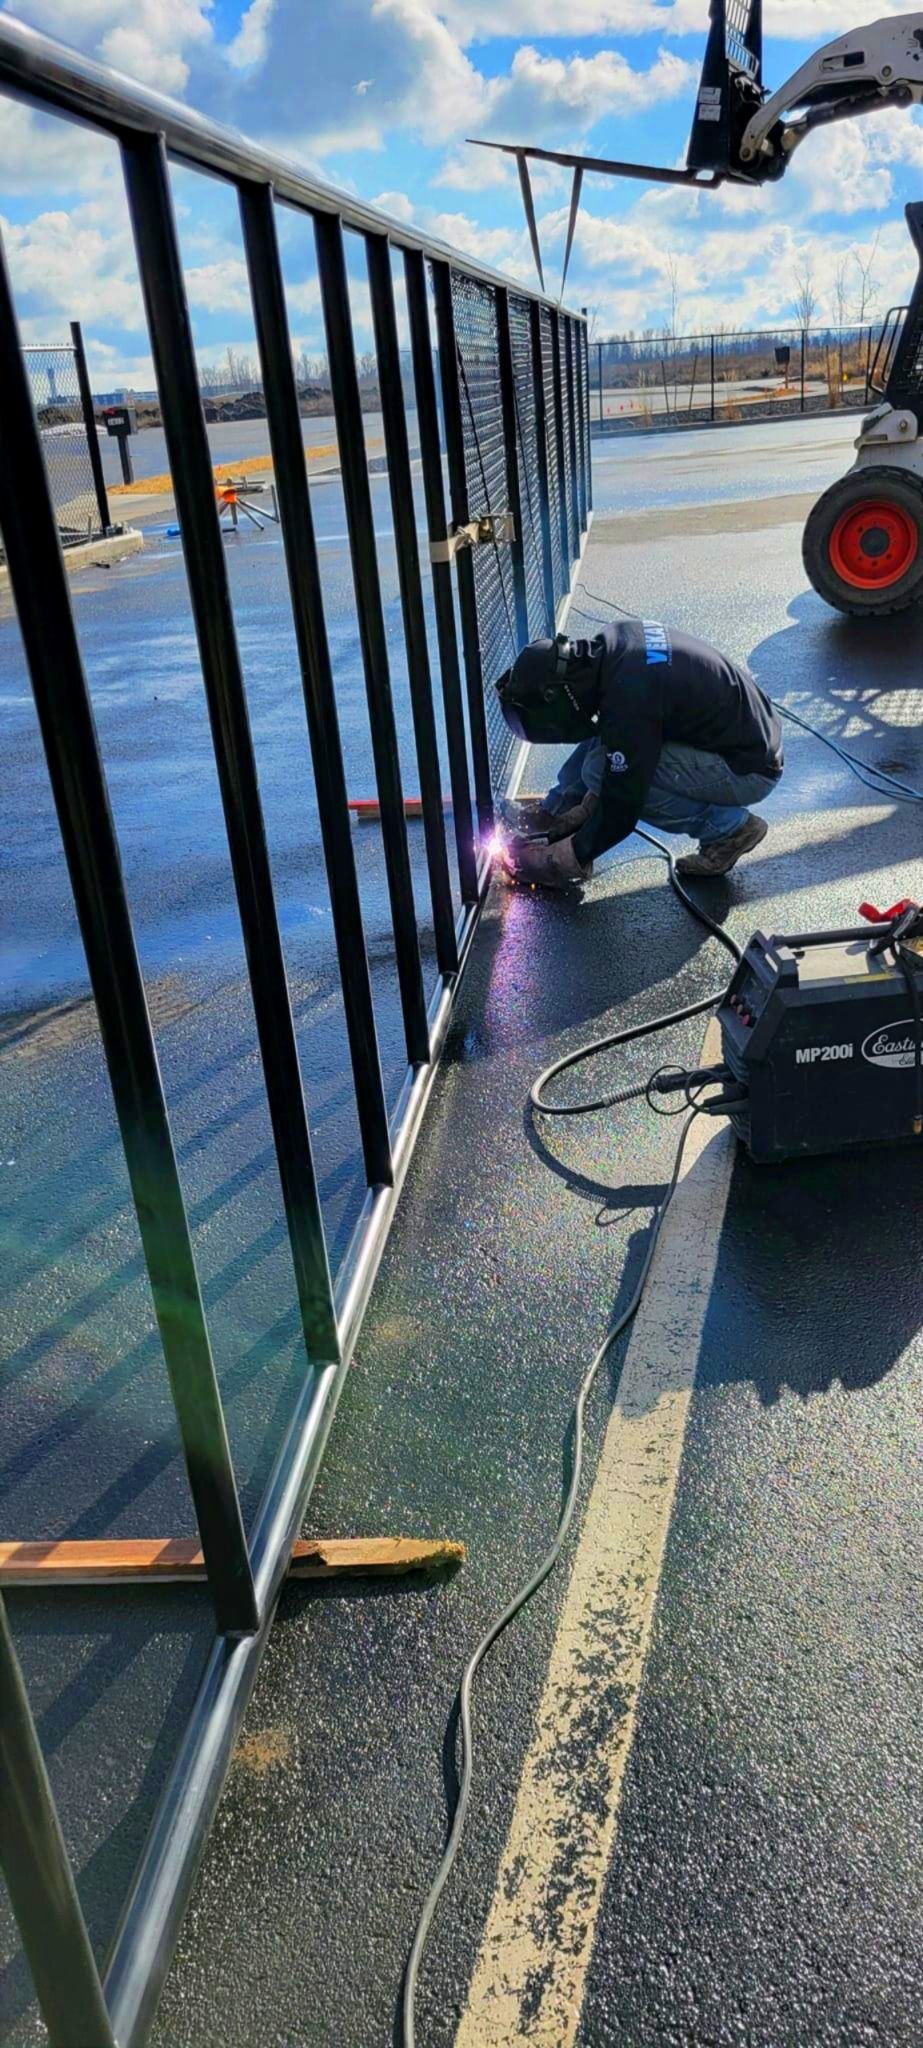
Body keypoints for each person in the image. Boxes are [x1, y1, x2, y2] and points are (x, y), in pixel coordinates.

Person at [494, 617, 783, 889]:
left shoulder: (630, 699)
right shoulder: (611, 646)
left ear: (553, 697)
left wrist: (562, 860)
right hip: (746, 734)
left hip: (748, 769)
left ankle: (729, 831)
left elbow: (623, 805)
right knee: (607, 745)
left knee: (600, 769)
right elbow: (621, 735)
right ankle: (555, 811)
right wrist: (575, 816)